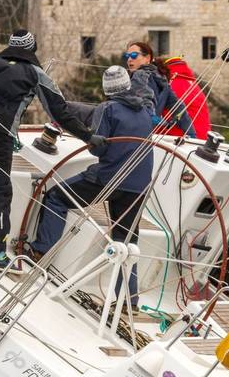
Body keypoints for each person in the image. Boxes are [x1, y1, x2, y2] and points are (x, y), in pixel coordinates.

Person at [0, 29, 103, 273]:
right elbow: (59, 113)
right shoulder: (36, 74)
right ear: (32, 48)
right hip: (0, 137)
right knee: (1, 191)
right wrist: (88, 137)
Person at [28, 66, 153, 308]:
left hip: (108, 179)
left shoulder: (108, 109)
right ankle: (129, 301)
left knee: (56, 196)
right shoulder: (146, 112)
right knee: (125, 243)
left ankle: (41, 251)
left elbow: (98, 147)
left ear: (107, 89)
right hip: (138, 186)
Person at [123, 42, 196, 138]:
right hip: (149, 135)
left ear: (147, 58)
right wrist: (191, 133)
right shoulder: (162, 79)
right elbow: (178, 106)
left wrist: (160, 122)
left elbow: (145, 104)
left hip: (134, 134)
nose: (129, 59)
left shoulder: (139, 75)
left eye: (134, 55)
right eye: (127, 56)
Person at [157, 55, 211, 139]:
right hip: (203, 139)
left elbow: (163, 117)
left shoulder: (171, 85)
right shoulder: (193, 84)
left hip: (183, 141)